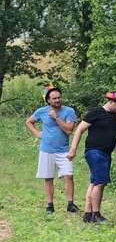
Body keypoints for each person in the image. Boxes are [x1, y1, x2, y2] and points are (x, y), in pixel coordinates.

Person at [67, 91, 116, 224]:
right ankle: (96, 215)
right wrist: (73, 149)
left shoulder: (115, 117)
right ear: (110, 102)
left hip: (106, 153)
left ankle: (88, 214)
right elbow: (79, 130)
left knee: (95, 182)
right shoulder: (95, 113)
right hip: (94, 151)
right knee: (100, 182)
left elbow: (114, 135)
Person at [26, 85, 79, 214]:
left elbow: (69, 130)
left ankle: (70, 204)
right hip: (46, 149)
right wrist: (37, 133)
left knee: (68, 175)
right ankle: (50, 205)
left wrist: (56, 117)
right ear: (48, 100)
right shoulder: (41, 111)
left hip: (64, 150)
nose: (57, 100)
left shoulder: (69, 111)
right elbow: (29, 122)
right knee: (48, 178)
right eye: (54, 98)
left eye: (58, 97)